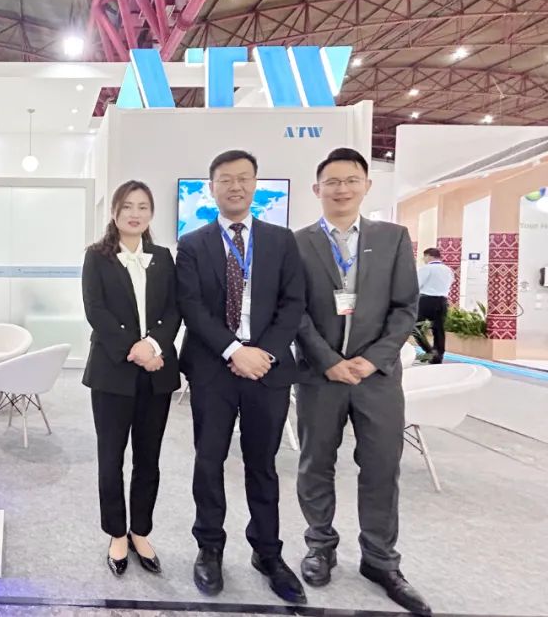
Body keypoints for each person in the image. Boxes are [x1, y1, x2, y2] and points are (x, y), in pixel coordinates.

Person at [294, 147, 431, 616]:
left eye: (351, 180)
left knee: (381, 467)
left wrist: (371, 361)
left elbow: (405, 308)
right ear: (317, 189)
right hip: (320, 376)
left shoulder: (392, 238)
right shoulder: (297, 243)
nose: (342, 189)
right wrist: (328, 361)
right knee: (315, 463)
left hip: (378, 378)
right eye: (332, 181)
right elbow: (294, 311)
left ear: (367, 186)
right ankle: (320, 546)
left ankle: (380, 560)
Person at [177, 150, 307, 604]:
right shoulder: (192, 243)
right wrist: (235, 350)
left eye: (244, 178)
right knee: (208, 460)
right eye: (225, 179)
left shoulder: (281, 240)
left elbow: (293, 303)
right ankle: (209, 547)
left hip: (267, 370)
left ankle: (267, 552)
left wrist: (262, 353)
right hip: (213, 368)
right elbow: (192, 307)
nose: (235, 186)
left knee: (263, 464)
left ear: (255, 185)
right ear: (211, 187)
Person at [81, 180, 180, 577]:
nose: (135, 214)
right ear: (115, 212)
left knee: (148, 459)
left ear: (151, 213)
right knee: (111, 458)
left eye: (142, 207)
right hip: (112, 372)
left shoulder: (163, 257)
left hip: (157, 372)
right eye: (127, 206)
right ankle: (116, 534)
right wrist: (134, 349)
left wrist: (153, 346)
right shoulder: (97, 256)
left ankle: (141, 531)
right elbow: (96, 311)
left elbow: (174, 309)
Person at [413, 248, 453, 364]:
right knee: (439, 329)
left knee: (416, 327)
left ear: (429, 256)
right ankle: (438, 355)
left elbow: (416, 285)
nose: (424, 259)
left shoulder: (426, 268)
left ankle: (429, 351)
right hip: (442, 301)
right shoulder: (448, 270)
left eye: (424, 257)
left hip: (426, 301)